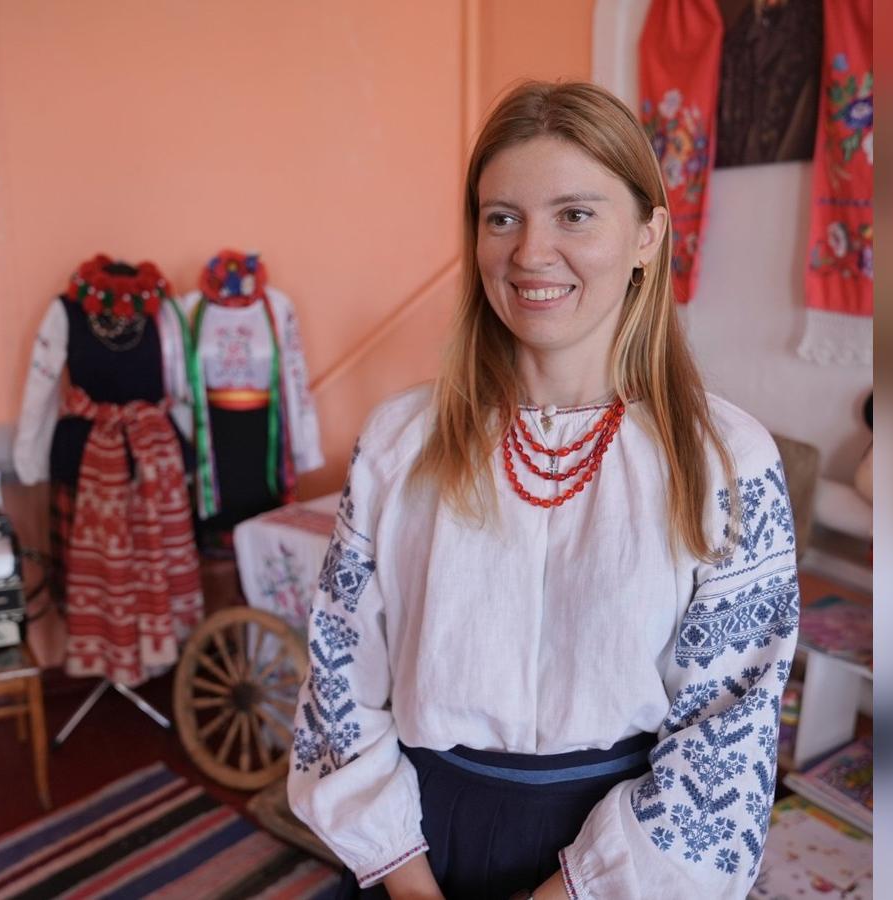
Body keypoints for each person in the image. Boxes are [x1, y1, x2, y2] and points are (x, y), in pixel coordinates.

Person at [287, 81, 800, 899]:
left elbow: (726, 734)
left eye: (574, 215)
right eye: (501, 218)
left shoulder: (723, 459)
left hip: (620, 860)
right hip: (418, 839)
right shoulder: (399, 441)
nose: (529, 252)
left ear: (646, 236)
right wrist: (407, 881)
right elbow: (340, 672)